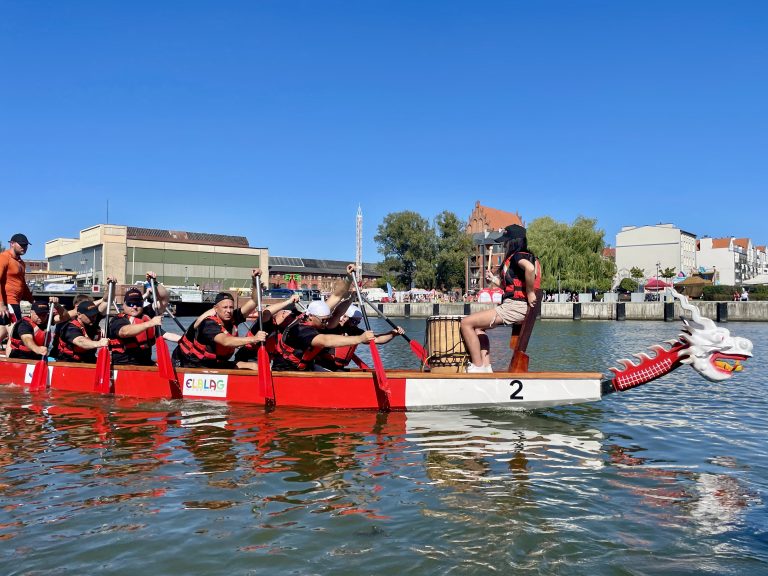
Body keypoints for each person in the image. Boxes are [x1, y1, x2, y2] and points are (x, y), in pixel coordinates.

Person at [460, 224, 539, 373]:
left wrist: (530, 292)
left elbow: (530, 269)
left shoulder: (518, 256)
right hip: (514, 306)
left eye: (506, 241)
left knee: (466, 323)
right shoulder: (523, 256)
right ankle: (486, 366)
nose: (504, 244)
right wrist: (494, 280)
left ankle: (477, 367)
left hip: (515, 307)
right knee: (478, 328)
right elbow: (510, 288)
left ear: (513, 241)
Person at [173, 269, 267, 369]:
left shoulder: (232, 317)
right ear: (216, 309)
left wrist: (254, 281)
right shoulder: (208, 324)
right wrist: (254, 339)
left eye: (231, 307)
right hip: (190, 364)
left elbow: (254, 301)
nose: (228, 311)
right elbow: (225, 341)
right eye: (225, 307)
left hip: (214, 363)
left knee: (254, 366)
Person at [272, 300, 376, 371]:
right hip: (286, 370)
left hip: (305, 367)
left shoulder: (318, 322)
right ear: (311, 317)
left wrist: (351, 292)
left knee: (339, 375)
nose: (327, 323)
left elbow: (336, 303)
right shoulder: (300, 329)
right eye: (324, 320)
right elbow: (325, 340)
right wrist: (360, 338)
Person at [324, 304, 405, 370]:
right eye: (353, 321)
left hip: (338, 368)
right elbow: (335, 313)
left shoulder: (355, 331)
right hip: (322, 366)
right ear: (343, 317)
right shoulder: (332, 327)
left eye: (356, 322)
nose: (354, 324)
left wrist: (393, 333)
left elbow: (377, 339)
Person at [233, 293, 301, 369]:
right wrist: (288, 301)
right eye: (292, 316)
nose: (294, 319)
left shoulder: (285, 331)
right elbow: (265, 313)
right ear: (283, 313)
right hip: (248, 359)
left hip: (266, 362)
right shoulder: (266, 324)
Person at [106, 287, 166, 366]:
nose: (134, 307)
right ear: (124, 305)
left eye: (138, 304)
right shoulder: (118, 319)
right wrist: (150, 323)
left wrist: (156, 284)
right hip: (123, 365)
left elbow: (164, 300)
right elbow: (124, 332)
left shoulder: (147, 314)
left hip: (146, 364)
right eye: (130, 304)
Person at [0, 233, 35, 346]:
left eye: (26, 245)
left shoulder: (21, 263)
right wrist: (1, 304)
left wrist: (33, 302)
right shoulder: (4, 257)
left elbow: (23, 285)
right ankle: (15, 361)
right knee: (17, 335)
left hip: (14, 302)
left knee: (3, 332)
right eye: (21, 245)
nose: (24, 247)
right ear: (12, 244)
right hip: (8, 303)